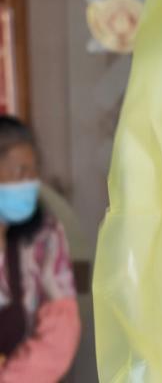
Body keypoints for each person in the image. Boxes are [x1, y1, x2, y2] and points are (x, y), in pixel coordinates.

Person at [0, 116, 80, 382]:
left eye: (34, 172)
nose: (30, 183)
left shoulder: (44, 235)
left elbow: (60, 333)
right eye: (20, 172)